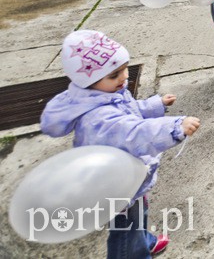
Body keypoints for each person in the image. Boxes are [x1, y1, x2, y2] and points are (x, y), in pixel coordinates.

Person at [39, 30, 200, 257]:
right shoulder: (97, 117)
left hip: (127, 174)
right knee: (126, 229)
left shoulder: (106, 93)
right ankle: (134, 252)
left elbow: (130, 112)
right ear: (89, 81)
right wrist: (173, 127)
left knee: (138, 214)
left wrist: (155, 104)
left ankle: (144, 242)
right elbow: (132, 133)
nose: (124, 77)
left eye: (124, 68)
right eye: (115, 74)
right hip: (113, 183)